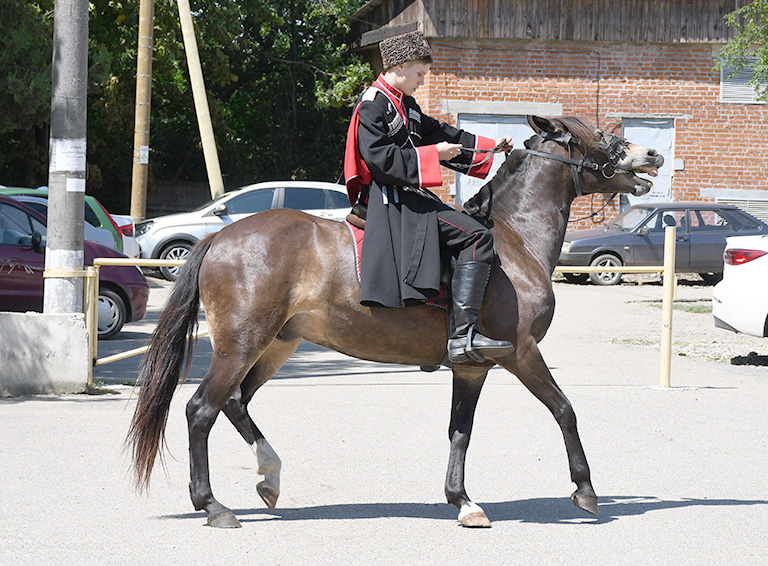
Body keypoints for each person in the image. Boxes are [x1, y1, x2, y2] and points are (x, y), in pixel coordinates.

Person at [344, 30, 514, 365]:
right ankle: (463, 336)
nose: (422, 81)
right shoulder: (372, 106)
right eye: (420, 74)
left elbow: (442, 133)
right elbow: (381, 162)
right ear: (401, 65)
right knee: (478, 236)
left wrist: (487, 148)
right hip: (389, 201)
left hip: (409, 196)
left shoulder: (404, 103)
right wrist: (433, 154)